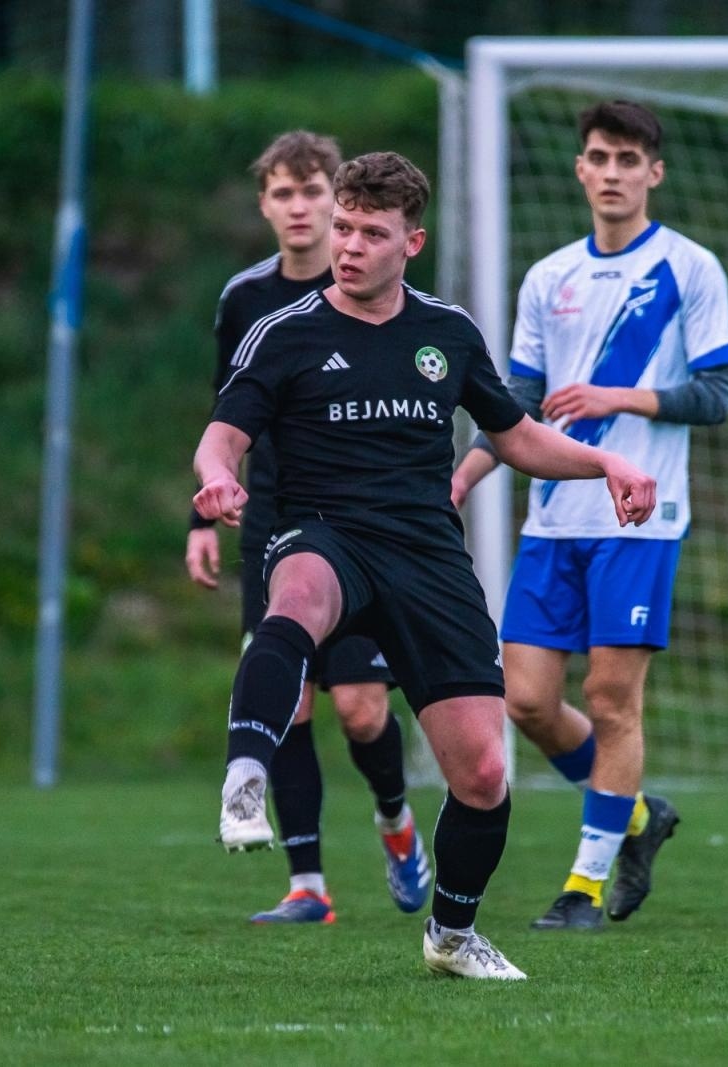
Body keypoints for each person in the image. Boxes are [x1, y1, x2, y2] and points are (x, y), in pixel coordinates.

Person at [193, 151, 657, 980]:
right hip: (325, 531)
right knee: (291, 598)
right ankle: (245, 773)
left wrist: (608, 465)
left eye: (371, 233)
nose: (350, 246)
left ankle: (451, 936)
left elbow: (516, 437)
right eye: (344, 227)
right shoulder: (286, 331)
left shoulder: (447, 332)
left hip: (427, 554)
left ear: (412, 241)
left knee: (482, 770)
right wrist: (219, 476)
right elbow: (222, 433)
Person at [451, 100, 728, 931]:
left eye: (628, 159)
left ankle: (582, 884)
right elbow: (517, 402)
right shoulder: (548, 278)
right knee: (528, 700)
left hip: (640, 519)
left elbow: (716, 396)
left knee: (613, 699)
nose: (611, 172)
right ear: (579, 169)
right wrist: (467, 473)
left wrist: (618, 395)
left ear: (654, 173)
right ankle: (640, 815)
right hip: (552, 520)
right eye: (598, 157)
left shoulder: (690, 269)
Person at [185, 130, 431, 925]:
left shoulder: (373, 290)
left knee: (360, 706)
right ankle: (308, 887)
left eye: (314, 192)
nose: (301, 207)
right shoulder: (245, 301)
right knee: (286, 699)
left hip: (362, 526)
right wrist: (203, 512)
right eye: (283, 193)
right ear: (264, 205)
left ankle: (394, 816)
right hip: (274, 522)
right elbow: (227, 418)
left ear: (339, 205)